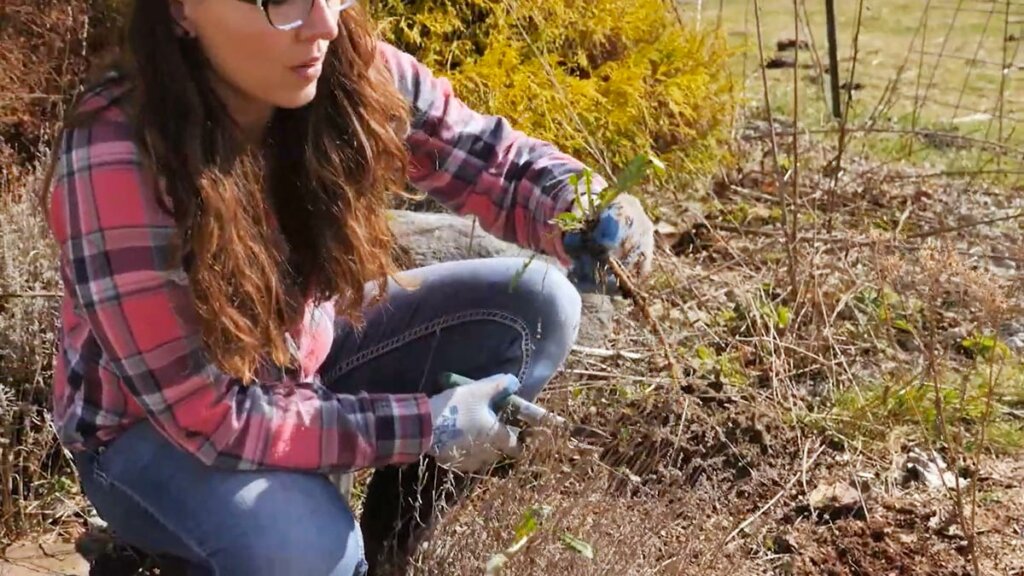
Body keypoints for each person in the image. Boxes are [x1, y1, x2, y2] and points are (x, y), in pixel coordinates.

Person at [42, 0, 656, 574]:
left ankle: (390, 552)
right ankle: (168, 548)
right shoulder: (117, 156)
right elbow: (208, 414)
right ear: (180, 9)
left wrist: (585, 208)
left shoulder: (341, 66)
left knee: (536, 308)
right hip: (153, 434)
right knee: (307, 552)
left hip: (298, 366)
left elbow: (490, 158)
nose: (325, 23)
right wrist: (426, 424)